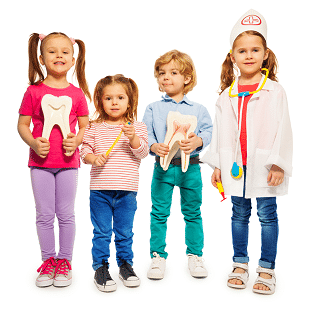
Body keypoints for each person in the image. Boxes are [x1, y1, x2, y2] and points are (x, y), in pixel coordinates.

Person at [202, 9, 293, 295]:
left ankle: (266, 268)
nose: (249, 55)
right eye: (242, 51)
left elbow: (284, 129)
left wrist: (278, 164)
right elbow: (219, 135)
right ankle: (240, 263)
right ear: (233, 56)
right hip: (234, 167)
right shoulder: (225, 95)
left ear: (266, 54)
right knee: (238, 214)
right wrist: (217, 165)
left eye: (256, 49)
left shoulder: (275, 91)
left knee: (267, 215)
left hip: (265, 167)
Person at [17, 32, 91, 287]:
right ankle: (49, 261)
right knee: (44, 215)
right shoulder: (34, 91)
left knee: (66, 214)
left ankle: (65, 262)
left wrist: (77, 140)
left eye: (64, 52)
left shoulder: (78, 94)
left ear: (72, 60)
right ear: (41, 58)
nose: (58, 55)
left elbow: (84, 127)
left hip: (69, 164)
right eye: (52, 51)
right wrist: (33, 142)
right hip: (40, 165)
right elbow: (23, 125)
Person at [143, 50, 213, 280]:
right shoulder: (153, 107)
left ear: (187, 78)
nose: (166, 77)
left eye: (173, 72)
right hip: (162, 168)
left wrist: (198, 141)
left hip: (191, 168)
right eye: (161, 73)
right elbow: (146, 133)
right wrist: (154, 147)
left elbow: (207, 131)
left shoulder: (198, 109)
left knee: (193, 212)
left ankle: (195, 255)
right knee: (159, 213)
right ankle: (157, 256)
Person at [81, 74, 148, 292]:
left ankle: (125, 265)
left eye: (120, 97)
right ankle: (100, 268)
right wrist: (94, 158)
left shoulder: (137, 126)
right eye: (108, 98)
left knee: (124, 232)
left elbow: (142, 153)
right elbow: (85, 151)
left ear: (130, 101)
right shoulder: (93, 126)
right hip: (100, 190)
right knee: (101, 232)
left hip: (127, 191)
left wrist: (132, 137)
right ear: (100, 100)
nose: (115, 102)